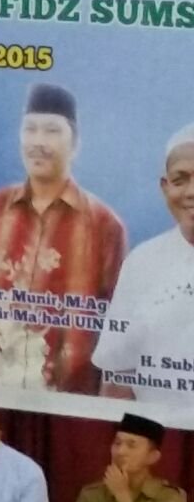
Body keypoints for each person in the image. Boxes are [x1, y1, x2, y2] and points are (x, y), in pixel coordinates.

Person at [0, 83, 126, 394]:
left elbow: (116, 324)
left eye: (51, 131)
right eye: (29, 129)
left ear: (76, 143)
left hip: (68, 400)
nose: (38, 142)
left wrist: (105, 401)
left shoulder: (104, 225)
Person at [94, 123, 194, 407]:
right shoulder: (142, 263)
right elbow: (117, 372)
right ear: (165, 188)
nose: (191, 192)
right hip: (159, 431)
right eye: (180, 180)